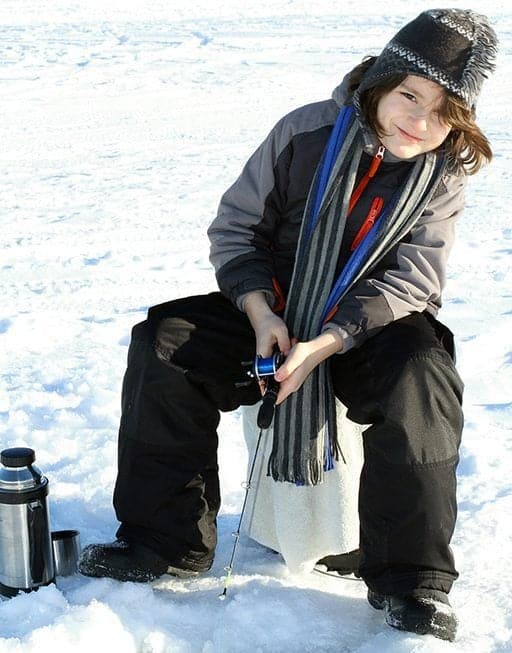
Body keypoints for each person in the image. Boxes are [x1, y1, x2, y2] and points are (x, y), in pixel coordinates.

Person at [79, 9, 497, 642]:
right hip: (269, 310)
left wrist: (327, 342)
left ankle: (411, 579)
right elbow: (235, 230)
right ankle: (163, 539)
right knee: (163, 344)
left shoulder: (442, 175)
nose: (419, 120)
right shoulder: (305, 131)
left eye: (443, 111)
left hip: (366, 327)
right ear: (381, 82)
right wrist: (261, 312)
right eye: (410, 95)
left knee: (423, 378)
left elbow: (414, 280)